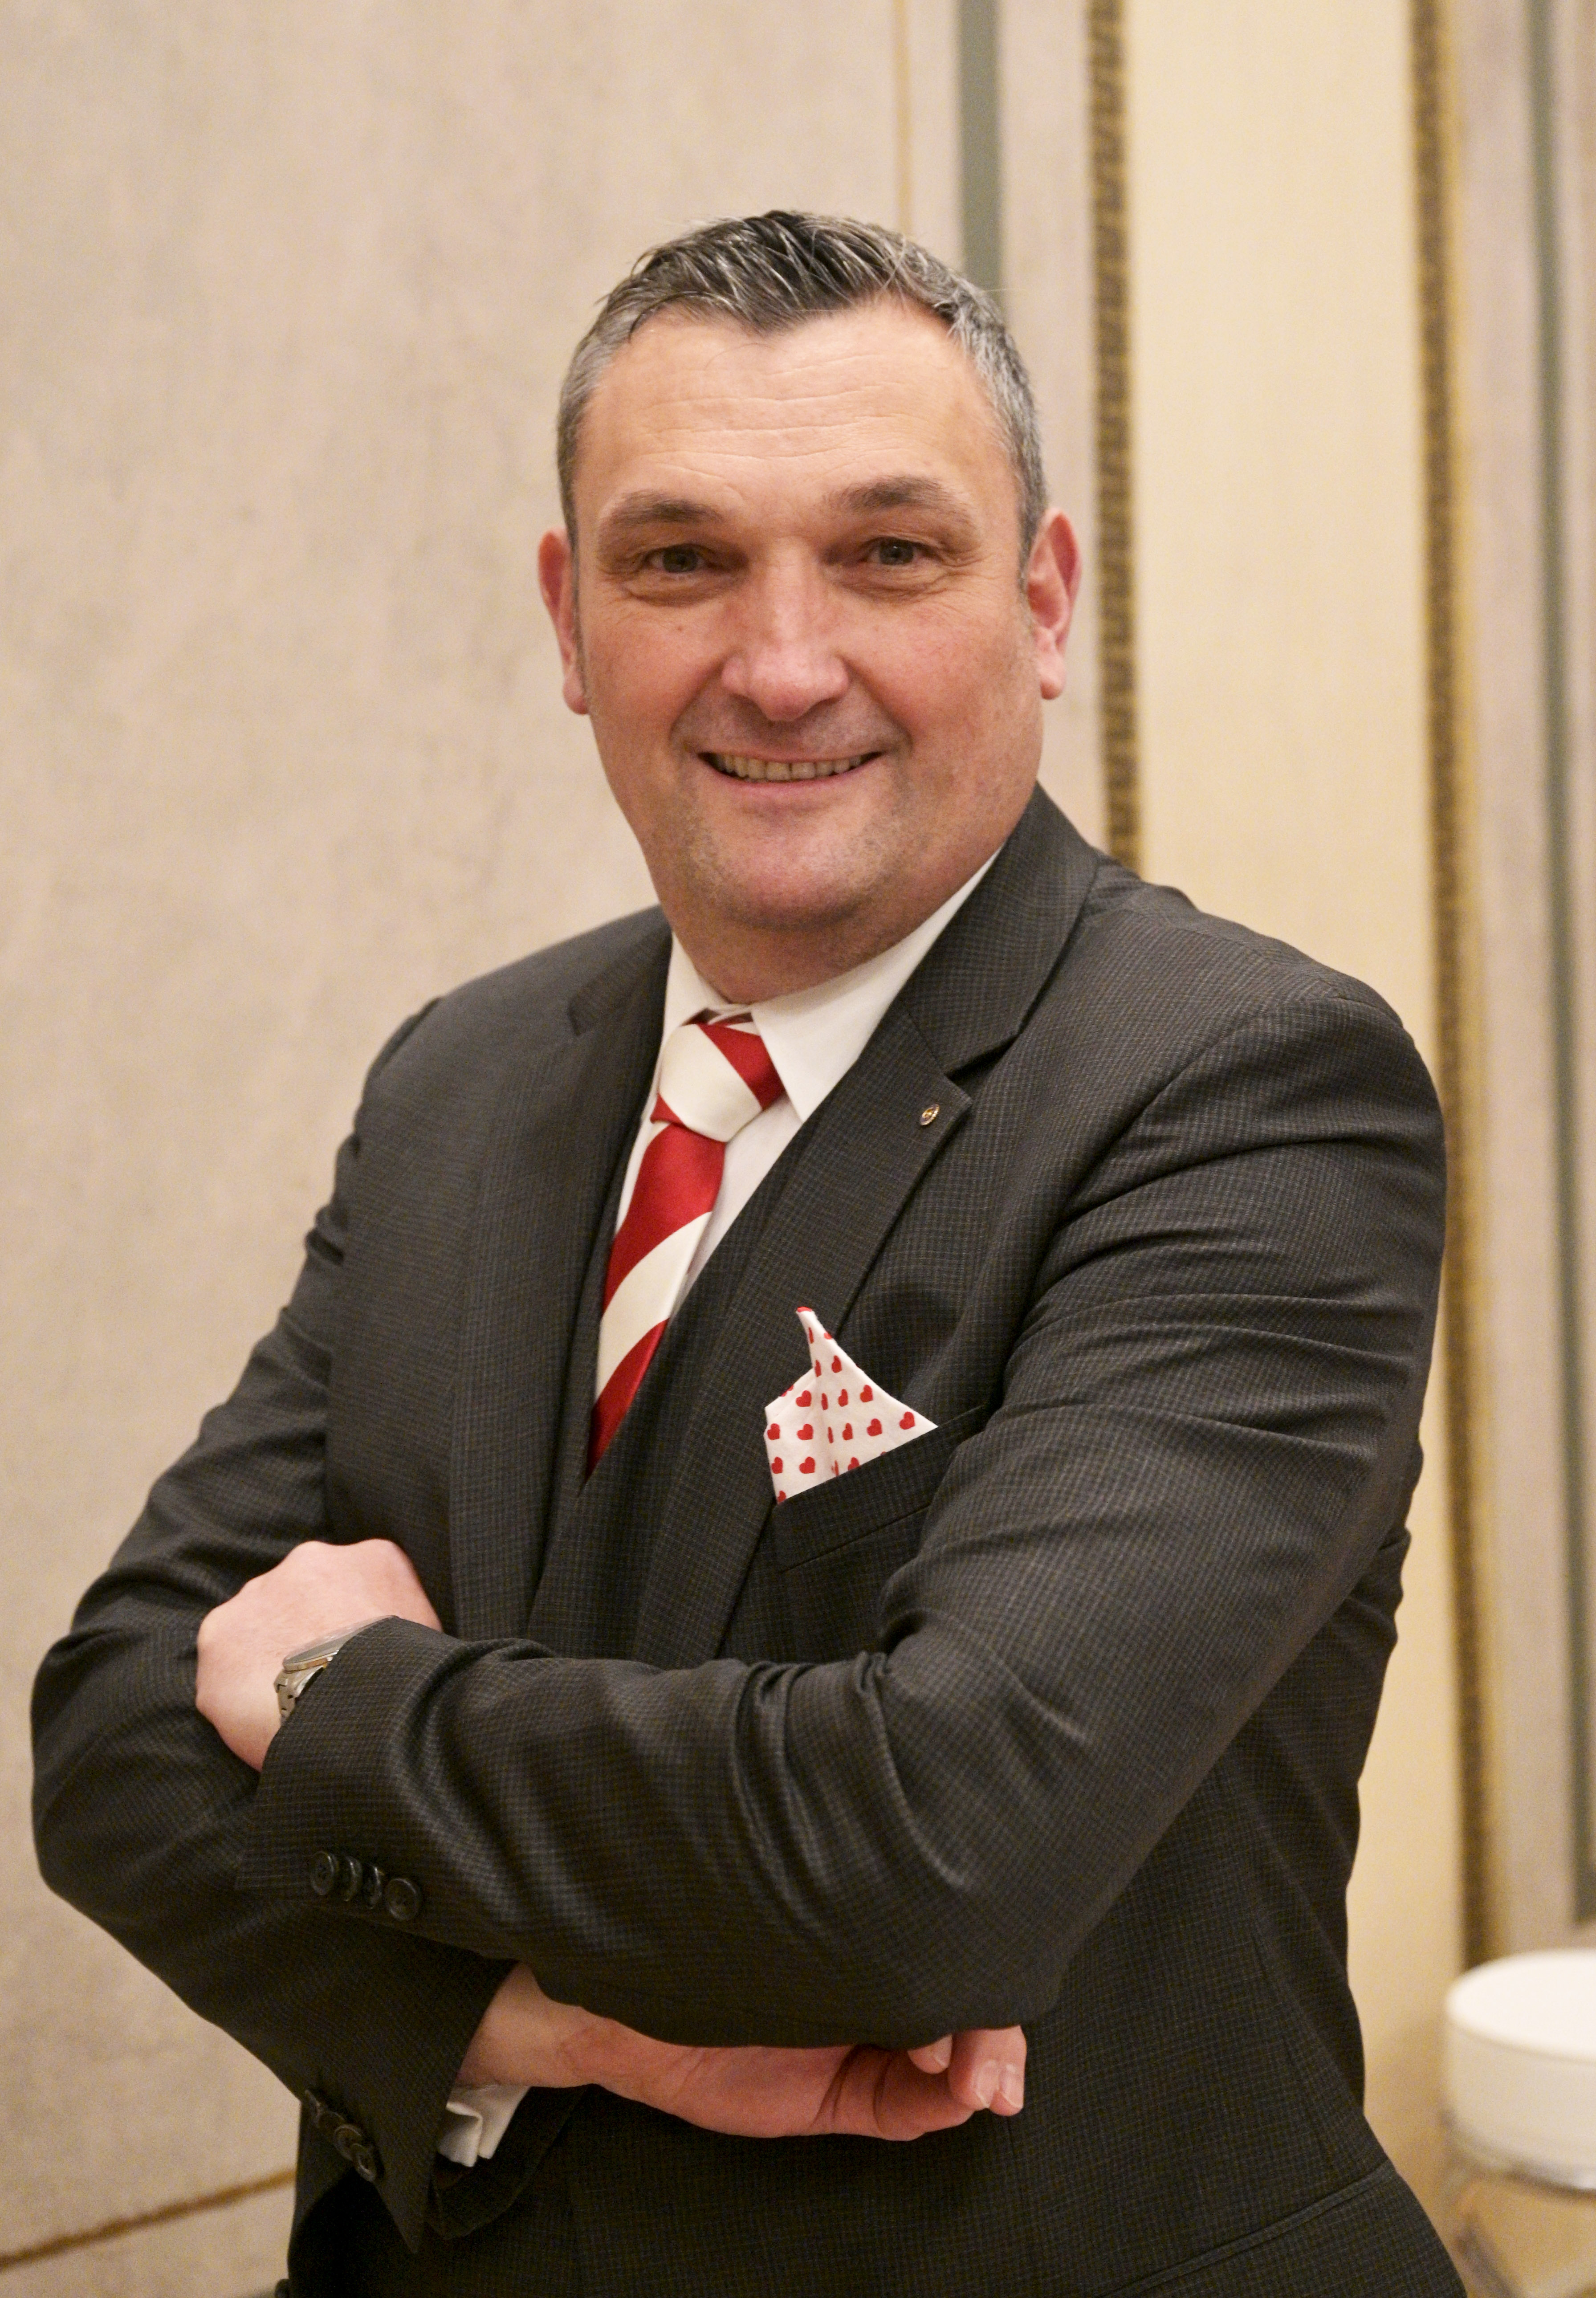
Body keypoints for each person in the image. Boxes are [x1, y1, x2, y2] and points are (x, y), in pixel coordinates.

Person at [33, 212, 1465, 2296]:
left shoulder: (1246, 1091)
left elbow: (929, 1850)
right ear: (568, 617)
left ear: (1040, 602)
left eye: (887, 553)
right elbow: (110, 1741)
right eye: (680, 559)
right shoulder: (462, 1079)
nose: (781, 664)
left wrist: (340, 1691)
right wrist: (538, 2022)